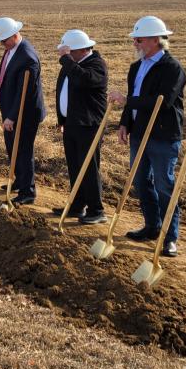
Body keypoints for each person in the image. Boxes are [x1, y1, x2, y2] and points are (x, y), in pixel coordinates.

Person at [108, 16, 186, 257]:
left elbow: (162, 103)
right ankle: (152, 226)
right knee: (142, 182)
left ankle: (170, 236)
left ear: (155, 40)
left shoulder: (172, 69)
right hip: (139, 133)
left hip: (163, 135)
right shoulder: (136, 67)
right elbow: (134, 99)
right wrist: (124, 123)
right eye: (134, 39)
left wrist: (126, 101)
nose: (135, 43)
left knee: (165, 185)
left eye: (139, 39)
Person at [54, 29, 108, 224]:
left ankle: (97, 209)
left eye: (70, 52)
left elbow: (84, 80)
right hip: (71, 124)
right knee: (74, 166)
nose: (66, 56)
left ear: (81, 50)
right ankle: (77, 205)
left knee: (89, 168)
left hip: (89, 125)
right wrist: (62, 119)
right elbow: (63, 91)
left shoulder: (96, 65)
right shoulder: (72, 65)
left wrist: (67, 61)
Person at [0, 17, 46, 205]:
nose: (1, 45)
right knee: (11, 147)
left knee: (22, 150)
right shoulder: (12, 50)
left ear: (15, 35)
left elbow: (25, 93)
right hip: (10, 110)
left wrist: (12, 117)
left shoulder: (27, 58)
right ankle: (19, 180)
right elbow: (8, 72)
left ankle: (27, 191)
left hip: (25, 113)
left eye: (4, 41)